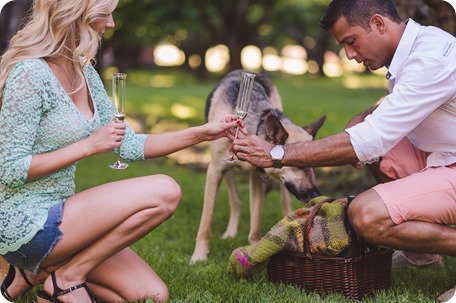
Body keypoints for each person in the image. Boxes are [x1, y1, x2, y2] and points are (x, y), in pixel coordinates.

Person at [0, 0, 243, 302]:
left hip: (64, 216)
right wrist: (88, 146)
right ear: (76, 15)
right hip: (25, 221)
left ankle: (41, 273)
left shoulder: (84, 72)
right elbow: (10, 169)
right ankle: (66, 276)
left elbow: (128, 144)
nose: (112, 23)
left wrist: (202, 133)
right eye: (105, 14)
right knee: (165, 190)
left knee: (151, 295)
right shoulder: (29, 74)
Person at [232, 0, 456, 298]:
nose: (350, 55)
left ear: (378, 23)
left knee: (366, 216)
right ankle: (423, 255)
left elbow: (367, 140)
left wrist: (276, 154)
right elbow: (409, 100)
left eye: (351, 42)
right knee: (379, 147)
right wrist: (365, 115)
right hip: (444, 156)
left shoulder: (431, 58)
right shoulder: (420, 44)